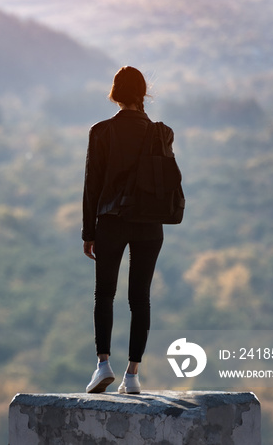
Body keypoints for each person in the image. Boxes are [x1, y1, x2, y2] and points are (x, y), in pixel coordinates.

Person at [81, 66, 175, 394]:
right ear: (143, 94)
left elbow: (92, 186)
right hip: (150, 224)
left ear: (115, 94)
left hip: (111, 221)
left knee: (104, 293)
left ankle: (102, 364)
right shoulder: (160, 133)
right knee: (141, 298)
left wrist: (87, 232)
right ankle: (132, 374)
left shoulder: (101, 132)